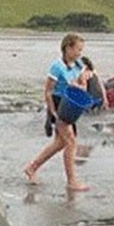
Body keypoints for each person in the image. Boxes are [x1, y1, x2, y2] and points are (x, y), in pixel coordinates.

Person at [23, 33, 90, 192]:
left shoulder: (79, 65)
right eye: (78, 49)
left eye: (81, 50)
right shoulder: (57, 66)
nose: (80, 53)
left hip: (71, 105)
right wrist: (53, 112)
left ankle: (32, 168)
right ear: (67, 48)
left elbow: (83, 86)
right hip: (59, 104)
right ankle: (72, 181)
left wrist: (82, 83)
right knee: (71, 142)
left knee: (60, 143)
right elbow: (48, 91)